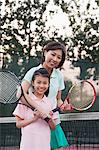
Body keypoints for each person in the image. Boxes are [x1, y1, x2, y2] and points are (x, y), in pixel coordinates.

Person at [21, 41, 71, 150]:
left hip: (53, 120)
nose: (55, 59)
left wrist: (64, 106)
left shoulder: (59, 76)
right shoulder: (32, 72)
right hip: (35, 120)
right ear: (45, 52)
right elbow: (20, 94)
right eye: (53, 54)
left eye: (59, 57)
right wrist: (39, 109)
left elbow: (58, 99)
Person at [13, 68, 56, 150]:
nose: (42, 86)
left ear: (49, 84)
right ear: (33, 83)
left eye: (45, 83)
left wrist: (49, 119)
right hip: (27, 146)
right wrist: (34, 118)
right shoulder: (24, 101)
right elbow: (18, 124)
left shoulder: (50, 103)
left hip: (44, 146)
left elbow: (53, 127)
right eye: (38, 82)